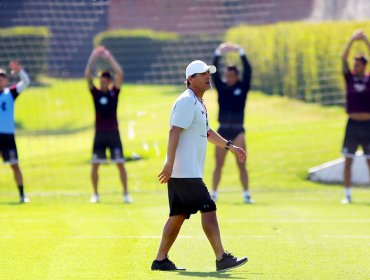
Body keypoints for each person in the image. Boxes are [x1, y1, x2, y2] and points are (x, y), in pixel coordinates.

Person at [151, 60, 248, 271]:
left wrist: (231, 147)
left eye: (208, 73)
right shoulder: (187, 101)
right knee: (208, 207)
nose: (207, 76)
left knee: (177, 216)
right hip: (184, 171)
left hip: (186, 171)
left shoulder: (197, 102)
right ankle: (221, 257)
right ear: (190, 79)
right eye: (201, 73)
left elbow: (208, 133)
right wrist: (169, 164)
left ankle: (160, 260)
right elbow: (174, 132)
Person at [85, 46, 132, 203]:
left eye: (105, 80)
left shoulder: (114, 92)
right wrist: (93, 56)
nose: (102, 82)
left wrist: (108, 57)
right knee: (95, 165)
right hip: (100, 133)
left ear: (109, 81)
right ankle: (95, 194)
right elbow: (87, 75)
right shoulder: (95, 93)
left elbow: (120, 73)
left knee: (120, 164)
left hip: (113, 132)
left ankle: (126, 194)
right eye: (101, 80)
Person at [211, 42, 253, 203]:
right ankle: (214, 193)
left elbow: (248, 72)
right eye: (227, 75)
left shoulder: (242, 88)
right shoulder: (222, 88)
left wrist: (241, 52)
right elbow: (214, 74)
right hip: (222, 131)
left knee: (241, 164)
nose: (229, 78)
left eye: (232, 75)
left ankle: (246, 194)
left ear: (236, 76)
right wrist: (218, 52)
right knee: (218, 164)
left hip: (237, 131)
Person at [341, 30, 370, 204]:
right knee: (348, 160)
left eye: (358, 65)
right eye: (354, 65)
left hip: (368, 125)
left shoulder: (368, 80)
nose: (355, 67)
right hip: (352, 124)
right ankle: (347, 194)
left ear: (364, 66)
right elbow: (343, 59)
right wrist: (351, 40)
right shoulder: (349, 79)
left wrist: (366, 41)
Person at [0, 60, 30, 203]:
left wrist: (19, 72)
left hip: (7, 136)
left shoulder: (10, 93)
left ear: (5, 80)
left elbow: (26, 82)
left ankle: (22, 195)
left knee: (15, 165)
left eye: (1, 77)